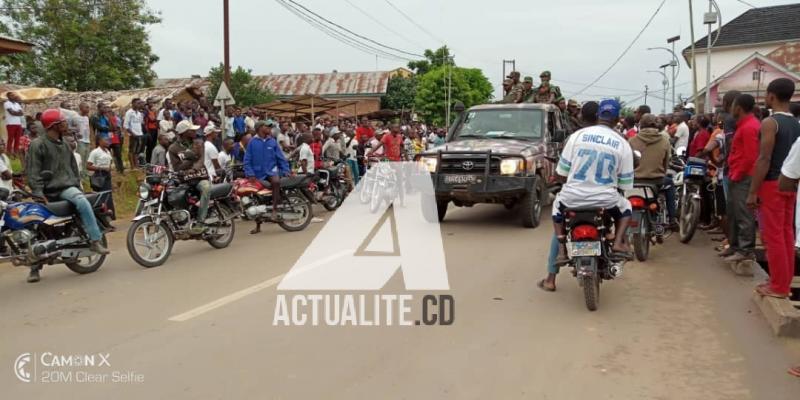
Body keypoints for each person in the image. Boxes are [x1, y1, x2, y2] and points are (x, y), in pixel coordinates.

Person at [27, 109, 110, 282]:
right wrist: (37, 193)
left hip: (65, 188)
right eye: (63, 122)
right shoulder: (38, 145)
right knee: (36, 225)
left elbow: (73, 168)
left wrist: (77, 186)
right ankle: (34, 267)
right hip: (46, 190)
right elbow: (33, 172)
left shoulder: (65, 144)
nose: (67, 125)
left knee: (82, 202)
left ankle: (95, 240)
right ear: (54, 126)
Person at [551, 99, 633, 264]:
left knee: (556, 209)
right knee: (627, 207)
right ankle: (618, 243)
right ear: (618, 119)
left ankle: (561, 251)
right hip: (605, 200)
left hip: (571, 198)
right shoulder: (622, 144)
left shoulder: (576, 137)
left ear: (598, 115)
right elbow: (624, 184)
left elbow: (561, 172)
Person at [746, 79, 800, 298]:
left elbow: (764, 158)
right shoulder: (796, 124)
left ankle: (778, 286)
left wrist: (752, 191)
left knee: (773, 236)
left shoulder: (770, 123)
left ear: (771, 96)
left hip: (772, 184)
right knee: (786, 233)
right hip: (791, 184)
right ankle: (782, 281)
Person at [723, 94, 759, 262]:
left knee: (744, 214)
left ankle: (745, 250)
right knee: (733, 213)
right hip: (736, 174)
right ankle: (734, 246)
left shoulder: (750, 127)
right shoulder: (743, 125)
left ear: (738, 108)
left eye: (733, 106)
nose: (730, 109)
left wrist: (737, 174)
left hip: (743, 177)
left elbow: (751, 157)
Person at [628, 114, 676, 225]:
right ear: (656, 125)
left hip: (634, 181)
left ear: (640, 125)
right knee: (670, 184)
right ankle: (672, 219)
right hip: (657, 181)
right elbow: (666, 164)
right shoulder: (664, 140)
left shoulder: (632, 140)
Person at [244, 120, 290, 232]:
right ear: (260, 128)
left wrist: (286, 169)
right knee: (256, 198)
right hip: (257, 173)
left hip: (271, 171)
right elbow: (247, 160)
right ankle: (258, 226)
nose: (269, 128)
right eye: (267, 126)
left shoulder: (272, 141)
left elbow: (280, 157)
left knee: (276, 182)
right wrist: (250, 173)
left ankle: (274, 210)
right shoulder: (252, 142)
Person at [168, 120, 210, 235]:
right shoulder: (173, 148)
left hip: (200, 176)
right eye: (191, 130)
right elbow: (177, 168)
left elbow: (201, 160)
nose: (194, 131)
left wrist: (193, 168)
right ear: (184, 132)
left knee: (206, 188)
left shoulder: (198, 143)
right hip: (184, 179)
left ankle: (200, 222)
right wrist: (189, 159)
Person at [86, 136, 116, 220]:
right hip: (99, 177)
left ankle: (110, 218)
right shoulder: (95, 152)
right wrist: (101, 168)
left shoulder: (108, 151)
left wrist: (109, 167)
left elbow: (110, 161)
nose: (107, 141)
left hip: (107, 176)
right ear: (99, 141)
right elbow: (88, 166)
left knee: (108, 197)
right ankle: (103, 219)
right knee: (102, 199)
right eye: (105, 139)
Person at [124, 98, 145, 169]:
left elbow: (140, 124)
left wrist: (141, 133)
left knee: (137, 151)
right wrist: (133, 134)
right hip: (133, 135)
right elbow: (126, 125)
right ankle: (132, 166)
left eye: (139, 103)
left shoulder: (139, 113)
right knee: (132, 151)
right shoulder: (129, 112)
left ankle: (136, 165)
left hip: (139, 134)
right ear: (132, 104)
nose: (139, 105)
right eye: (137, 103)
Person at [71, 102, 92, 175]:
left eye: (88, 107)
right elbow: (70, 127)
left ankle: (85, 174)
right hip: (80, 141)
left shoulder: (86, 118)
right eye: (86, 107)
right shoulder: (75, 117)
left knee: (87, 158)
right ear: (81, 108)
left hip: (87, 140)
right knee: (81, 158)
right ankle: (81, 175)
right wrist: (75, 135)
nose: (88, 109)